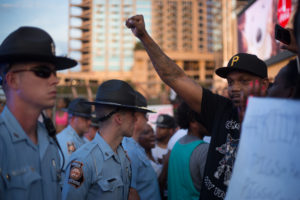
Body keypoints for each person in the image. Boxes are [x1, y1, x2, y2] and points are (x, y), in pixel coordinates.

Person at [126, 15, 269, 200]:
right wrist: (144, 36)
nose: (235, 88)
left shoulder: (279, 122)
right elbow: (175, 77)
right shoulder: (221, 109)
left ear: (264, 84)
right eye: (231, 82)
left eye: (244, 81)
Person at [0, 26, 77, 200]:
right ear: (12, 80)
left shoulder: (49, 142)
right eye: (43, 72)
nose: (55, 80)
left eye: (55, 72)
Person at [62, 79, 138, 200]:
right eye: (133, 115)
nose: (136, 120)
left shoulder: (123, 157)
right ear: (118, 118)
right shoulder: (84, 161)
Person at [122, 91, 161, 200]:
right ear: (136, 117)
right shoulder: (128, 149)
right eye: (145, 115)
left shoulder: (134, 146)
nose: (147, 119)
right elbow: (130, 193)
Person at [168, 102, 209, 200]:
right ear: (193, 121)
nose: (210, 120)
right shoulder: (204, 149)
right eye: (206, 116)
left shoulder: (177, 145)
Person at [57, 97, 92, 170]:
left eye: (89, 118)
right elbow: (68, 175)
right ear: (72, 118)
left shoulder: (80, 138)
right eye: (85, 119)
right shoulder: (68, 141)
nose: (89, 122)